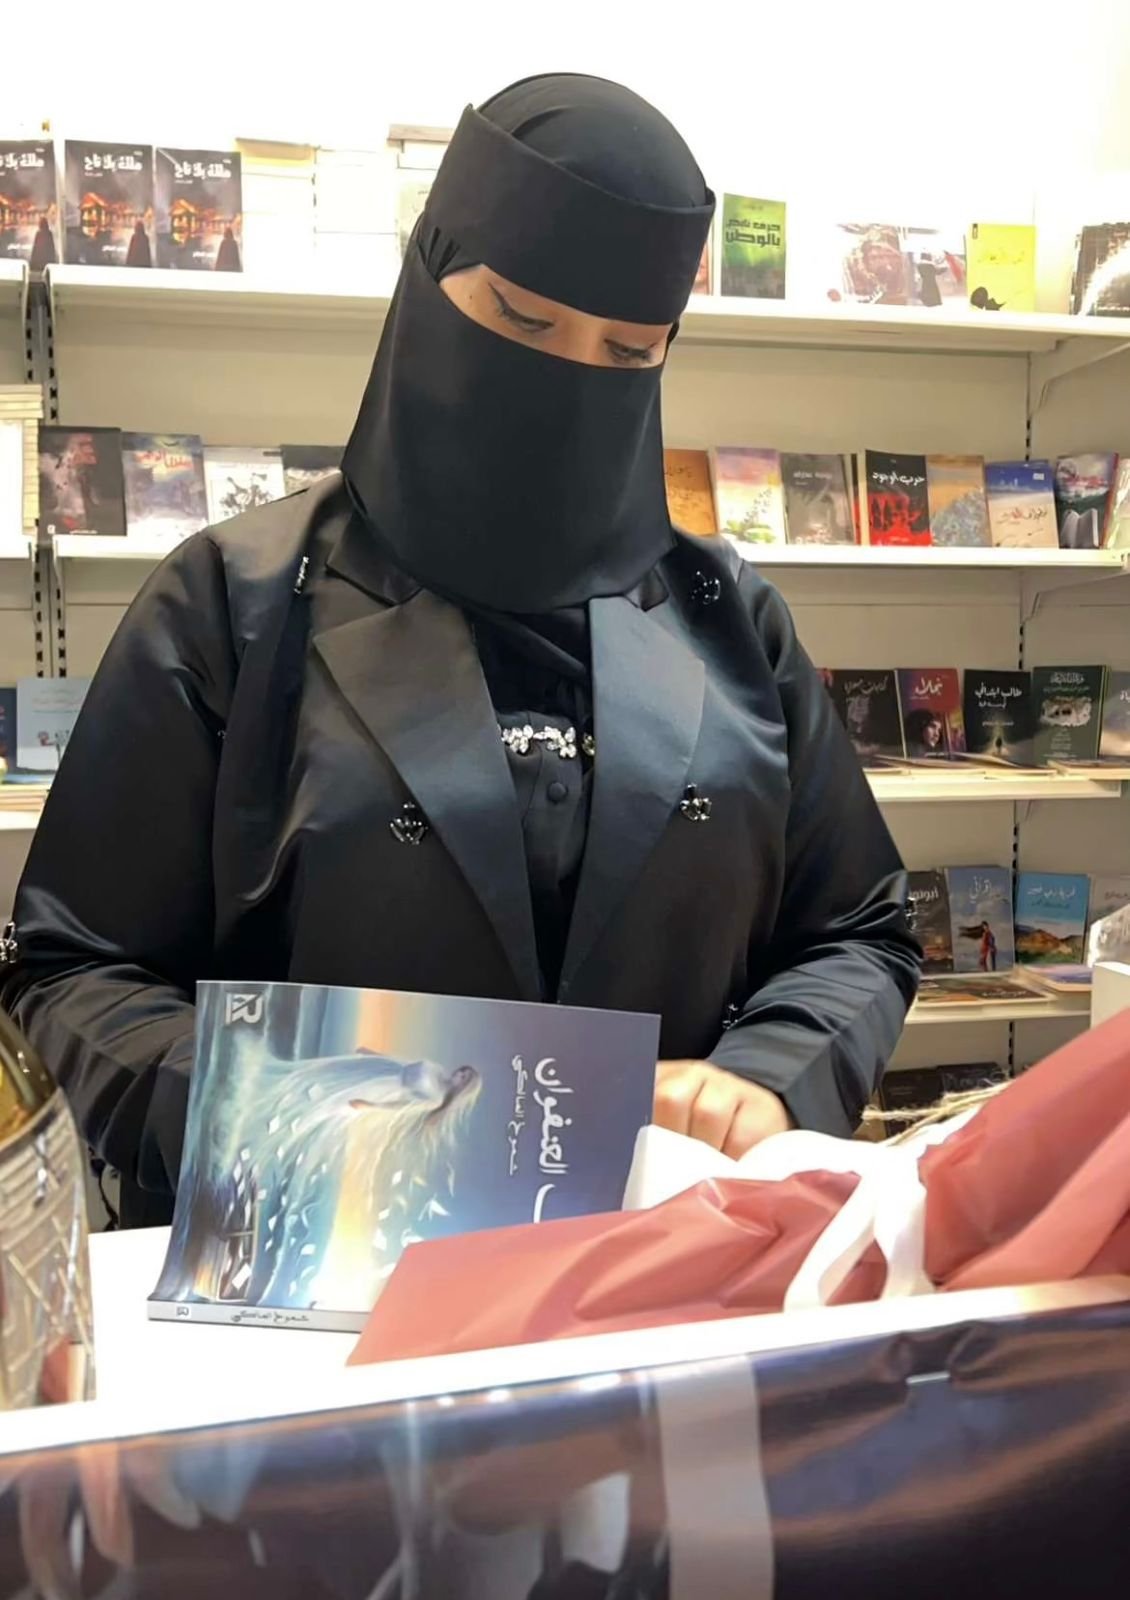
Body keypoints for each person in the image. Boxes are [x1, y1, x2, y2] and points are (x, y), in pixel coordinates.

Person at [0, 75, 920, 1227]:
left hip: (654, 1259)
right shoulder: (232, 603)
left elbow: (854, 926)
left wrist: (767, 1076)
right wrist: (270, 1119)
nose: (569, 376)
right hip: (315, 1258)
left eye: (627, 349)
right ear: (428, 278)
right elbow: (74, 969)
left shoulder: (723, 614)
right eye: (522, 322)